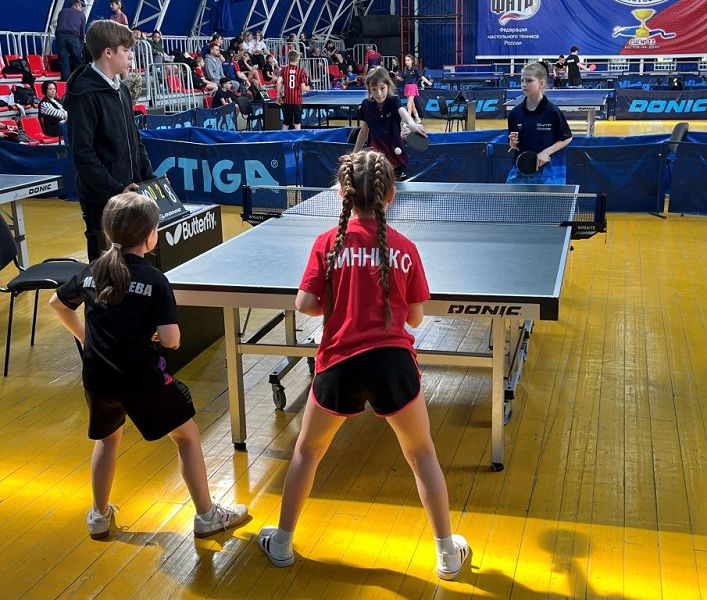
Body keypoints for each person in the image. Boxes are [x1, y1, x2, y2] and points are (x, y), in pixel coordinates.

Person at [257, 149, 470, 581]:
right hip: (393, 365)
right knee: (422, 454)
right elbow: (415, 318)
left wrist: (342, 302)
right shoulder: (405, 249)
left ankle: (281, 542)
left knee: (307, 452)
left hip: (340, 363)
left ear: (343, 194)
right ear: (391, 195)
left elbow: (305, 304)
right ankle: (448, 554)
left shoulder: (327, 245)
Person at [48, 192, 249, 541]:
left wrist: (85, 337)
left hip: (97, 375)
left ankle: (98, 516)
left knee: (107, 440)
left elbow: (57, 303)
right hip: (140, 377)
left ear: (109, 232)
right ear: (150, 235)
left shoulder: (92, 270)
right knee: (187, 436)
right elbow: (171, 339)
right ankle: (207, 516)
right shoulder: (154, 279)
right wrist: (165, 337)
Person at [64, 19, 154, 262]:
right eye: (125, 50)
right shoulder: (84, 95)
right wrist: (115, 190)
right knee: (107, 267)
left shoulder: (121, 90)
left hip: (131, 195)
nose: (130, 55)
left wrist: (147, 176)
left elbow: (135, 138)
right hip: (103, 202)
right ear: (108, 52)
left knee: (133, 264)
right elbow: (83, 154)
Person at [353, 67, 426, 181]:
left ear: (388, 86)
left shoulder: (393, 101)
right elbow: (364, 130)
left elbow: (403, 112)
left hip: (396, 159)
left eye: (382, 88)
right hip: (375, 159)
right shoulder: (366, 105)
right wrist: (354, 153)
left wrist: (412, 123)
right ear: (369, 89)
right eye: (374, 89)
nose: (379, 93)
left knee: (397, 190)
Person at [507, 62, 573, 184]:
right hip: (521, 169)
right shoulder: (515, 113)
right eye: (522, 80)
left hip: (549, 172)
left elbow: (567, 137)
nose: (524, 84)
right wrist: (513, 143)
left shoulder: (552, 111)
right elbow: (513, 143)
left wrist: (546, 152)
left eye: (529, 80)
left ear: (542, 84)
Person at [276, 50, 310, 130]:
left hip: (287, 100)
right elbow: (303, 88)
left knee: (286, 123)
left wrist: (278, 96)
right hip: (297, 100)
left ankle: (283, 137)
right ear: (297, 59)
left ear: (289, 59)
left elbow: (278, 83)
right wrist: (308, 88)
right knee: (297, 123)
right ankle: (298, 138)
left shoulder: (284, 70)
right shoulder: (301, 70)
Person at [55, 0, 86, 81]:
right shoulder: (81, 15)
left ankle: (65, 81)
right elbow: (82, 32)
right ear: (78, 5)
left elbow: (58, 24)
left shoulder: (62, 11)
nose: (82, 9)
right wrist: (81, 43)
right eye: (81, 7)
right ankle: (78, 80)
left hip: (60, 36)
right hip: (73, 36)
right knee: (78, 59)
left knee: (64, 60)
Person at [397, 54, 432, 124]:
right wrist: (398, 77)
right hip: (407, 87)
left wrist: (428, 82)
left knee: (409, 103)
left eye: (408, 60)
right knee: (412, 104)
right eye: (406, 60)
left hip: (413, 87)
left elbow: (421, 76)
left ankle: (408, 120)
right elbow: (402, 79)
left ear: (412, 61)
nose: (407, 62)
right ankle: (417, 118)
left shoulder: (415, 69)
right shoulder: (405, 70)